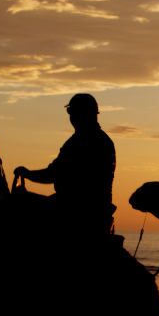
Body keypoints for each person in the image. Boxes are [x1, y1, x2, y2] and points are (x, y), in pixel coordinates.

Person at [13, 93, 116, 233]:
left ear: (82, 113)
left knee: (19, 203)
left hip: (75, 211)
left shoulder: (82, 142)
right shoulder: (99, 140)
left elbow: (53, 174)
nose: (71, 116)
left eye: (72, 111)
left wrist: (27, 173)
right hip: (90, 211)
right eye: (70, 112)